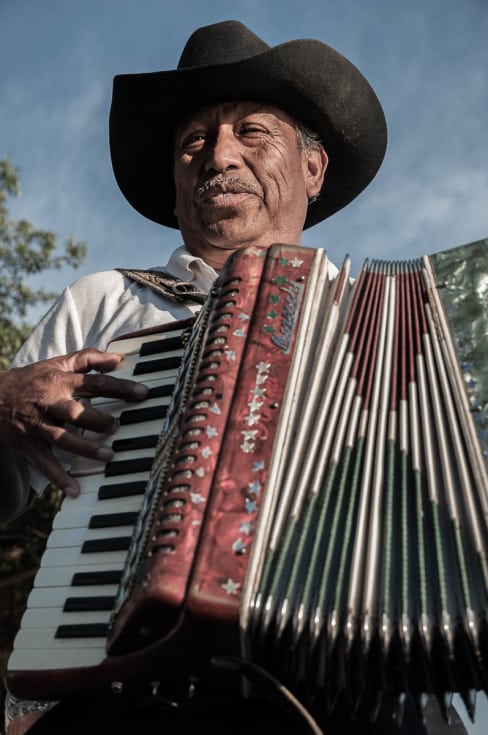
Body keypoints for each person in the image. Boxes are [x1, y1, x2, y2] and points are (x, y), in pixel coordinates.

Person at [1, 19, 469, 735]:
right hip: (136, 690)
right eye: (195, 142)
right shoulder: (105, 303)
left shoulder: (396, 322)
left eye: (252, 131)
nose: (219, 154)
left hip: (358, 694)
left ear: (313, 169)